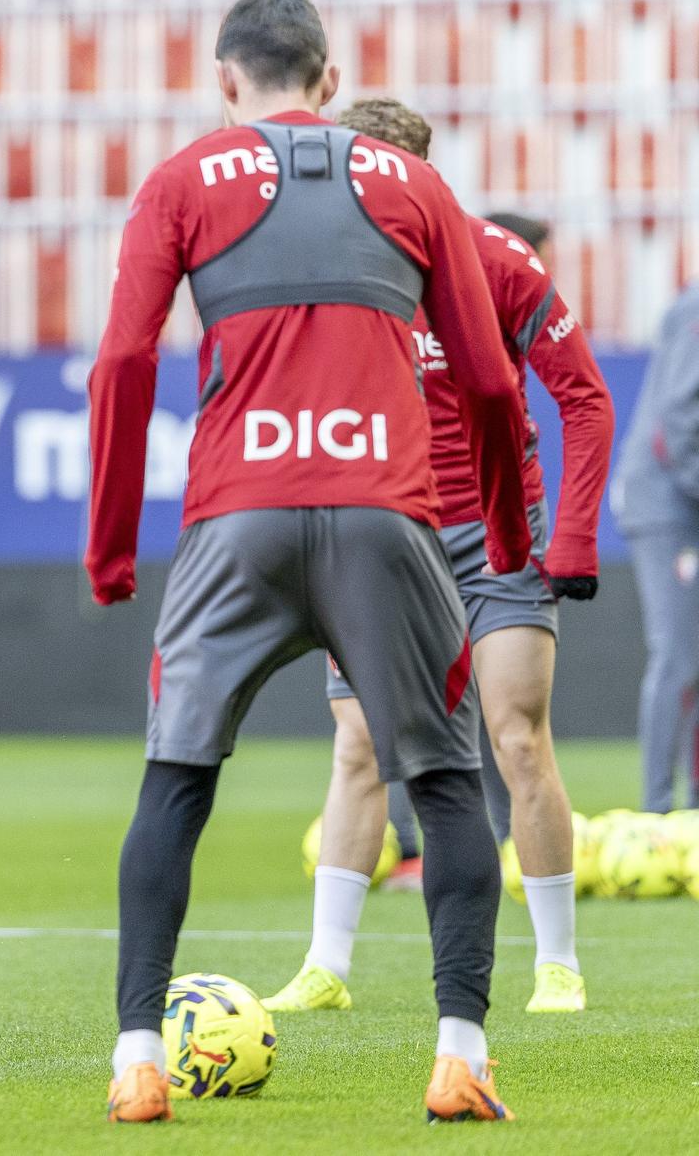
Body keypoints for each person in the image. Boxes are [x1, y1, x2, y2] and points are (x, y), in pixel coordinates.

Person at [87, 0, 532, 1124]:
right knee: (443, 782)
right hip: (387, 516)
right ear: (329, 83)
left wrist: (107, 551)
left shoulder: (183, 178)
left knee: (175, 779)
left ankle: (137, 1056)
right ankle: (459, 1054)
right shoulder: (416, 185)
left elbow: (123, 364)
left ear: (223, 81)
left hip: (236, 516)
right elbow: (487, 381)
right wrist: (509, 537)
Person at [265, 107, 613, 1018]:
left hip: (499, 532)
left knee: (516, 737)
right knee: (359, 745)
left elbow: (586, 398)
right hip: (383, 533)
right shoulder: (333, 270)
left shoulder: (495, 260)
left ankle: (557, 963)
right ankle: (326, 967)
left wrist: (570, 536)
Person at [613, 280, 699, 811]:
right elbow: (678, 420)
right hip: (668, 505)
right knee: (677, 655)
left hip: (684, 500)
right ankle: (659, 812)